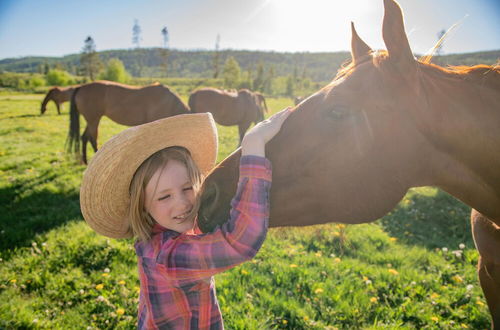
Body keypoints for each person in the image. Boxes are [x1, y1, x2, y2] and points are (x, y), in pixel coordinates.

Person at [80, 108, 291, 329]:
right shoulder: (169, 257)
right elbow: (240, 241)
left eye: (188, 188)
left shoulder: (157, 233)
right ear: (142, 206)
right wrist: (254, 145)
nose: (182, 203)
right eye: (164, 196)